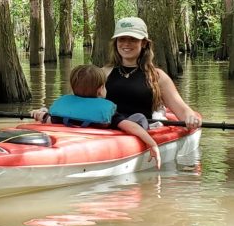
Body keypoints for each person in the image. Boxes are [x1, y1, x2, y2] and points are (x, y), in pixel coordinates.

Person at [31, 64, 161, 165]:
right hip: (106, 137)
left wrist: (41, 114)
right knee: (140, 117)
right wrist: (152, 143)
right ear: (100, 90)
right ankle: (156, 124)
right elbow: (131, 126)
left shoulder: (60, 114)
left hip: (72, 137)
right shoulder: (108, 114)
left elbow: (48, 119)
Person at [104, 16, 202, 129]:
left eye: (133, 39)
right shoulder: (104, 73)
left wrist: (190, 117)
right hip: (109, 132)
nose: (126, 44)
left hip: (143, 131)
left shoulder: (158, 77)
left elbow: (182, 110)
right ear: (116, 42)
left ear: (144, 43)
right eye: (122, 39)